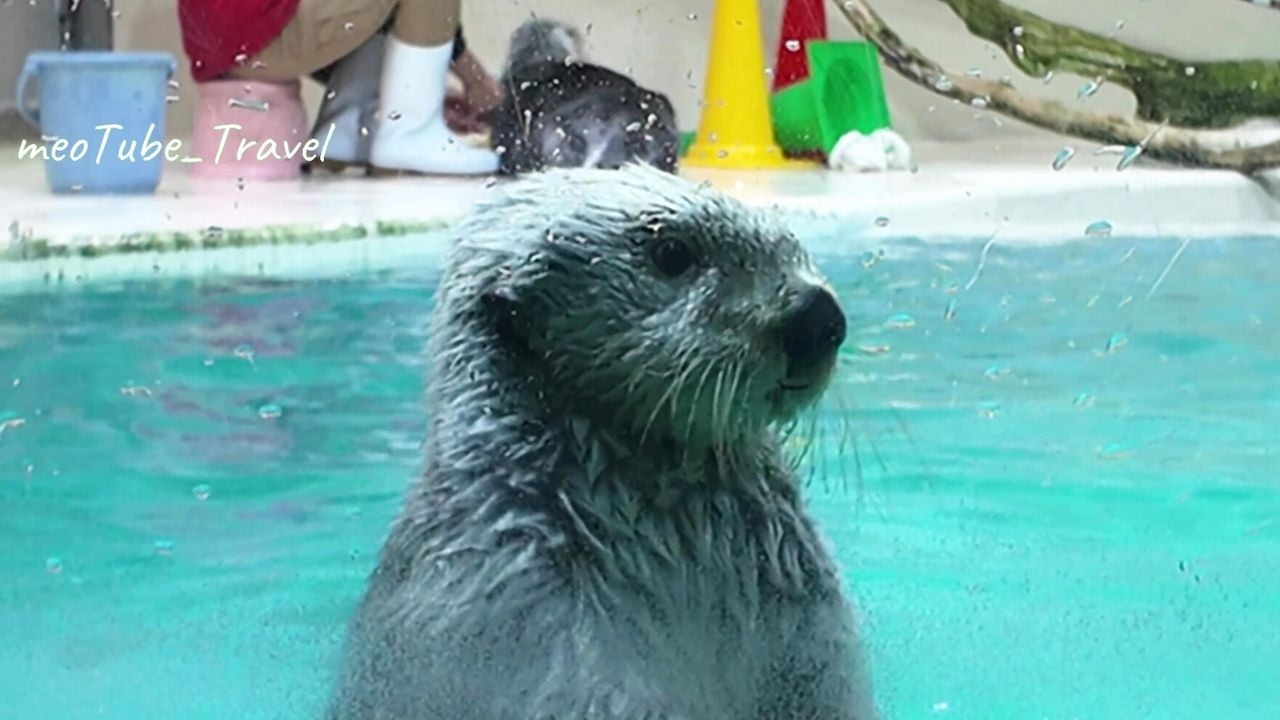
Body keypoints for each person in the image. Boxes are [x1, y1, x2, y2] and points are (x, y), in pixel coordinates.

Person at [177, 0, 501, 175]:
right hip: (259, 33)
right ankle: (410, 135)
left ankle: (345, 128)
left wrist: (416, 86)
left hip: (225, 39)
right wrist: (475, 80)